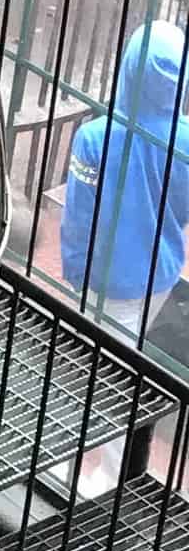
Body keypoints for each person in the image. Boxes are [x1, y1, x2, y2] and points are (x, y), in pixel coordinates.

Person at [61, 20, 189, 339]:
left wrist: (77, 274)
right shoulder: (185, 140)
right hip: (162, 273)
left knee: (95, 363)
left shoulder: (94, 139)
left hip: (107, 283)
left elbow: (79, 218)